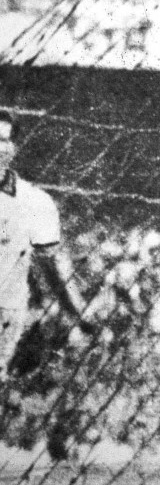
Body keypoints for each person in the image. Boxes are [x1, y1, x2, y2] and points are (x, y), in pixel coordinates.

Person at [0, 110, 94, 428]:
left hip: (6, 311)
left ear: (13, 147)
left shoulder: (33, 201)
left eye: (3, 139)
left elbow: (53, 264)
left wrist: (78, 312)